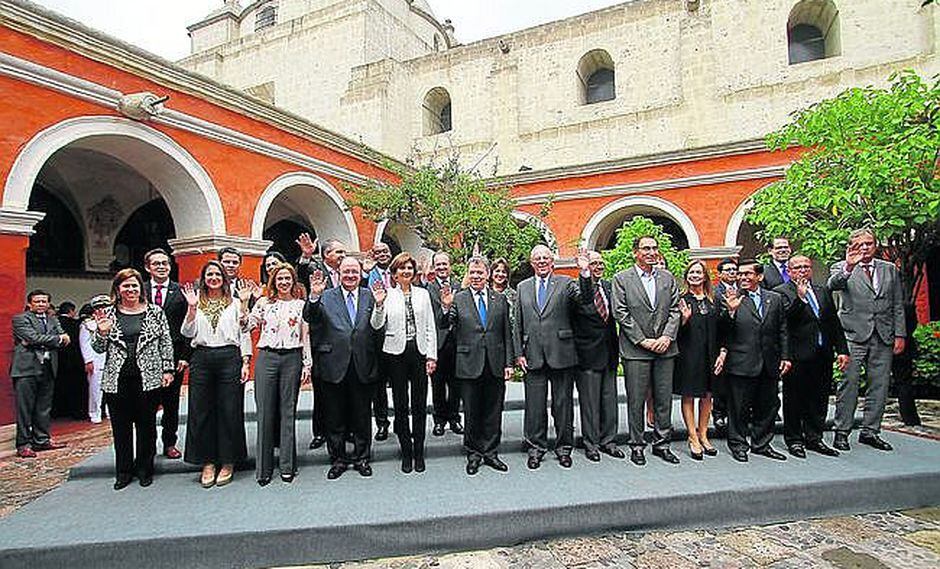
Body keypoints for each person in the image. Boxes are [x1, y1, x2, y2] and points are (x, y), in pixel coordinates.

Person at [91, 269, 174, 489]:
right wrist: (102, 332)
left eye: (134, 285)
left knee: (147, 426)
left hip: (148, 377)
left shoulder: (155, 312)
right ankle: (124, 471)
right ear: (118, 289)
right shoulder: (108, 314)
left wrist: (167, 369)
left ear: (141, 288)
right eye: (126, 286)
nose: (131, 289)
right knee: (121, 428)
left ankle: (145, 468)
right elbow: (97, 348)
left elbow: (165, 342)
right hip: (117, 379)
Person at [305, 256, 385, 480]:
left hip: (362, 363)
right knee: (334, 416)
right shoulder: (325, 295)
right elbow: (310, 317)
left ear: (360, 274)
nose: (350, 275)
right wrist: (314, 296)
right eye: (346, 271)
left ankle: (362, 457)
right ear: (339, 273)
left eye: (354, 272)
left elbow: (378, 326)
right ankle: (338, 459)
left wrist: (380, 305)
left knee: (362, 415)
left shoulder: (371, 295)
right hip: (333, 363)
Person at [827, 228, 906, 452]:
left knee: (880, 385)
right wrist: (849, 266)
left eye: (869, 243)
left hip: (883, 334)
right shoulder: (841, 267)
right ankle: (842, 431)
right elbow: (833, 285)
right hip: (853, 334)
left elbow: (897, 304)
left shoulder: (888, 269)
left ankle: (871, 431)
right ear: (851, 246)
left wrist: (900, 334)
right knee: (849, 383)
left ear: (875, 245)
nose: (864, 248)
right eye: (860, 244)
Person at [180, 260, 253, 488]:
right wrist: (192, 308)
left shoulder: (235, 302)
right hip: (202, 358)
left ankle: (228, 461)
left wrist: (245, 361)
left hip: (229, 357)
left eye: (217, 274)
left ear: (224, 278)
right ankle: (208, 462)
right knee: (201, 410)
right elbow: (187, 332)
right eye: (209, 274)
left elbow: (244, 330)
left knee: (229, 410)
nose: (213, 278)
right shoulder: (197, 302)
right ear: (204, 279)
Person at [611, 236, 681, 466]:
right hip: (636, 350)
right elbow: (620, 312)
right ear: (636, 252)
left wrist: (667, 337)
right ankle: (637, 445)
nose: (651, 252)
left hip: (665, 348)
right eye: (646, 248)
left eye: (654, 248)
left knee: (664, 399)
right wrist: (642, 340)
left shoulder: (667, 277)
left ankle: (662, 444)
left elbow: (675, 310)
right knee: (636, 400)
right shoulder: (622, 279)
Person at [441, 256, 514, 475]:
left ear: (487, 274)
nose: (476, 276)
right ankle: (473, 453)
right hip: (468, 363)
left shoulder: (499, 299)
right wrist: (445, 307)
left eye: (480, 272)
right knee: (471, 411)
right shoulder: (459, 298)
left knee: (494, 410)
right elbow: (445, 326)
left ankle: (490, 452)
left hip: (495, 362)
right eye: (472, 273)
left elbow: (507, 333)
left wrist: (509, 363)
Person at [241, 262, 312, 485]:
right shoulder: (264, 303)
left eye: (287, 278)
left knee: (288, 411)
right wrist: (244, 302)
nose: (283, 282)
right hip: (267, 357)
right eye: (280, 278)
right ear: (274, 281)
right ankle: (263, 469)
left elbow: (305, 335)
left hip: (292, 357)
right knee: (264, 412)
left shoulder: (301, 305)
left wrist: (307, 364)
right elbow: (245, 326)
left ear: (293, 281)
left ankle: (287, 466)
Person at [775, 255, 849, 458]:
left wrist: (842, 350)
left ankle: (814, 437)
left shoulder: (822, 291)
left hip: (822, 353)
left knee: (819, 397)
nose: (802, 270)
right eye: (797, 267)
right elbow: (785, 322)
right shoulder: (781, 292)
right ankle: (794, 439)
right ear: (789, 271)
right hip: (796, 355)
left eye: (806, 267)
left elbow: (833, 323)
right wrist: (800, 298)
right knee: (794, 399)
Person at [718, 260, 791, 463]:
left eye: (748, 274)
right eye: (740, 274)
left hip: (769, 362)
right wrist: (730, 312)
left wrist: (785, 356)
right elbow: (722, 331)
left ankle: (762, 444)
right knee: (738, 408)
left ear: (759, 276)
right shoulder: (731, 298)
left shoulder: (774, 298)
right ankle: (738, 444)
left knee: (767, 406)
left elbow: (782, 330)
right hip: (741, 362)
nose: (743, 277)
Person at [514, 244, 579, 469]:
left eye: (545, 258)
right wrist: (518, 353)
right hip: (532, 354)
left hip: (561, 352)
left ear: (552, 261)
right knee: (534, 406)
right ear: (532, 263)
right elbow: (518, 322)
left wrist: (585, 273)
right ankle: (536, 448)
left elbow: (585, 300)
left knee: (563, 405)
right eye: (537, 258)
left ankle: (564, 448)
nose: (541, 261)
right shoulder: (522, 287)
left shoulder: (566, 283)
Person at [371, 252, 437, 473]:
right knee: (400, 404)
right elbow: (376, 325)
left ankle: (419, 451)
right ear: (394, 274)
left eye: (409, 268)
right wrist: (379, 305)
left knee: (419, 404)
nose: (406, 271)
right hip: (395, 353)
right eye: (402, 268)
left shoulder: (423, 294)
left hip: (419, 352)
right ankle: (406, 451)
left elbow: (430, 327)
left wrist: (432, 356)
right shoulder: (387, 295)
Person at [572, 250, 623, 462]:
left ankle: (608, 441)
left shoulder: (609, 287)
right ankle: (591, 443)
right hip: (587, 354)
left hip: (609, 352)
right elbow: (584, 300)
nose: (599, 266)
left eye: (601, 263)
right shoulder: (577, 288)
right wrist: (584, 272)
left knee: (609, 400)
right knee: (590, 403)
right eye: (594, 263)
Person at [296, 235, 346, 450]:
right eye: (339, 252)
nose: (343, 255)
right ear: (326, 255)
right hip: (323, 340)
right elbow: (300, 273)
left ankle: (345, 430)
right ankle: (320, 432)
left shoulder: (346, 273)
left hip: (344, 342)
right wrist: (306, 256)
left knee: (344, 390)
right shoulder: (316, 270)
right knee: (323, 390)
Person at [142, 248, 190, 460]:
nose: (161, 267)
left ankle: (170, 442)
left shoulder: (181, 292)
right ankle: (147, 444)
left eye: (165, 263)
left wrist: (185, 355)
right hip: (146, 355)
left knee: (171, 403)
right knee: (147, 402)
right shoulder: (140, 290)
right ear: (148, 267)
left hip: (175, 355)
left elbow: (189, 326)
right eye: (156, 263)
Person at [10, 290, 70, 458]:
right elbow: (32, 337)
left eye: (44, 301)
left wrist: (40, 340)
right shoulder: (20, 319)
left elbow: (64, 339)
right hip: (26, 369)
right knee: (25, 409)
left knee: (44, 407)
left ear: (49, 304)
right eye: (37, 301)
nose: (41, 304)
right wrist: (56, 339)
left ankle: (42, 440)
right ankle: (23, 444)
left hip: (48, 367)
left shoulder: (53, 319)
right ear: (30, 304)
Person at [673, 260, 721, 460]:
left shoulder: (714, 300)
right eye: (691, 272)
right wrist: (683, 319)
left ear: (704, 276)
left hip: (711, 353)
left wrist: (722, 353)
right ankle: (692, 436)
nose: (695, 275)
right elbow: (672, 331)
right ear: (686, 277)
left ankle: (703, 434)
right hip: (689, 354)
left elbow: (722, 328)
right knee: (689, 395)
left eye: (698, 272)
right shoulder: (681, 300)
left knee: (708, 395)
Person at [425, 251, 464, 437]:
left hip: (457, 342)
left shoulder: (459, 286)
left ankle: (454, 418)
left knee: (456, 384)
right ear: (434, 267)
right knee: (438, 385)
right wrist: (445, 307)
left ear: (450, 266)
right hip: (438, 343)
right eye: (438, 264)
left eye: (444, 264)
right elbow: (431, 317)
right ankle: (439, 420)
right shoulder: (428, 289)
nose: (441, 267)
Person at [363, 243, 394, 441]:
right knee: (379, 383)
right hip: (376, 335)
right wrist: (365, 272)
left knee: (399, 381)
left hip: (398, 332)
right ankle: (382, 423)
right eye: (378, 252)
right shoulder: (368, 274)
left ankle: (401, 422)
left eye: (385, 251)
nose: (382, 254)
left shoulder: (398, 271)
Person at [711, 257, 739, 429]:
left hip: (741, 339)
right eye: (728, 270)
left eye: (734, 270)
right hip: (721, 340)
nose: (732, 273)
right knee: (721, 380)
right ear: (720, 274)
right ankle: (719, 413)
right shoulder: (715, 293)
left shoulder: (743, 290)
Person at [52, 301, 86, 420]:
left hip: (58, 360)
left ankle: (58, 411)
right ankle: (76, 412)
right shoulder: (76, 324)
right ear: (71, 311)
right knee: (75, 388)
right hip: (75, 360)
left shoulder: (54, 323)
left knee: (58, 386)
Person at [78, 301, 106, 423]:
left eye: (104, 308)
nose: (101, 311)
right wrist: (88, 360)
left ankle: (109, 412)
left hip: (111, 360)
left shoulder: (114, 322)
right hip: (96, 360)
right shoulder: (88, 324)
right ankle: (95, 413)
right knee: (95, 389)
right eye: (99, 308)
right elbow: (84, 343)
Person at [490, 257, 518, 332]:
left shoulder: (514, 296)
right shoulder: (485, 293)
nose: (500, 274)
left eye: (503, 272)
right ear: (491, 273)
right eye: (497, 271)